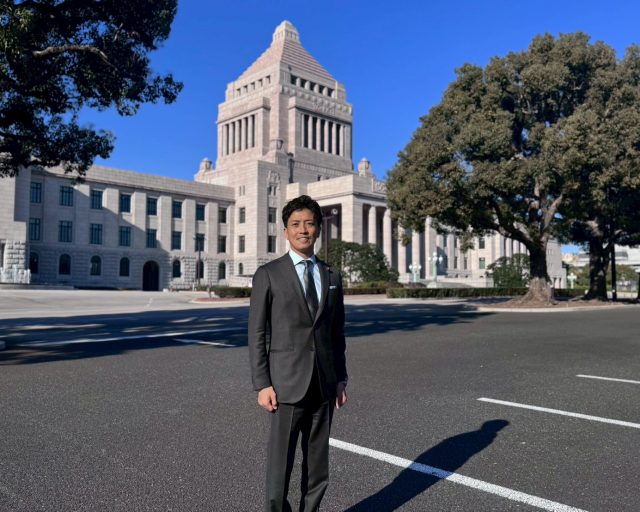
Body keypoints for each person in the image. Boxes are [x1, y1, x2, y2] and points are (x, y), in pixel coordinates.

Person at [249, 194, 348, 512]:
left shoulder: (332, 275)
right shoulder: (268, 274)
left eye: (309, 223)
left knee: (318, 467)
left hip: (324, 384)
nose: (303, 230)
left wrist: (341, 378)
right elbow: (257, 334)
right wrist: (262, 383)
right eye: (296, 224)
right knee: (280, 467)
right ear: (286, 231)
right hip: (285, 385)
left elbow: (336, 333)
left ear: (318, 229)